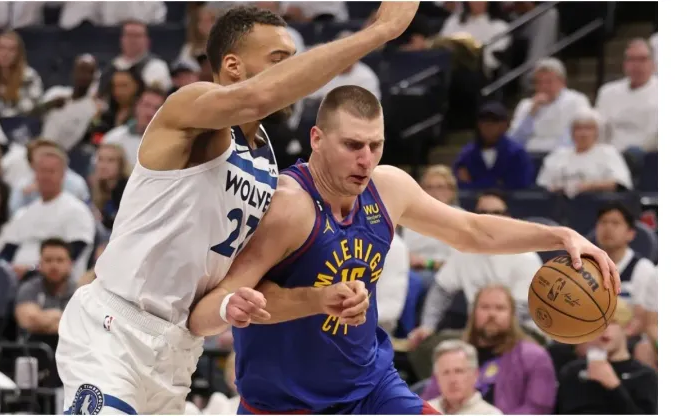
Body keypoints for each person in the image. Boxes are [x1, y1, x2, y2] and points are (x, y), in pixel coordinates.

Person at [55, 3, 421, 415]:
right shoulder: (191, 107)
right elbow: (258, 96)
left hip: (178, 346)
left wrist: (233, 304)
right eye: (279, 60)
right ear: (232, 65)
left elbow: (221, 279)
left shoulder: (266, 157)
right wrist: (379, 32)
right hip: (115, 327)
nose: (291, 73)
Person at [188, 86, 621, 414]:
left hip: (371, 388)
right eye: (353, 145)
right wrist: (318, 299)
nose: (366, 159)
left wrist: (557, 235)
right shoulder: (288, 207)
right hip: (284, 404)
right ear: (317, 138)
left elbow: (471, 231)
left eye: (375, 145)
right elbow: (208, 314)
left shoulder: (387, 187)